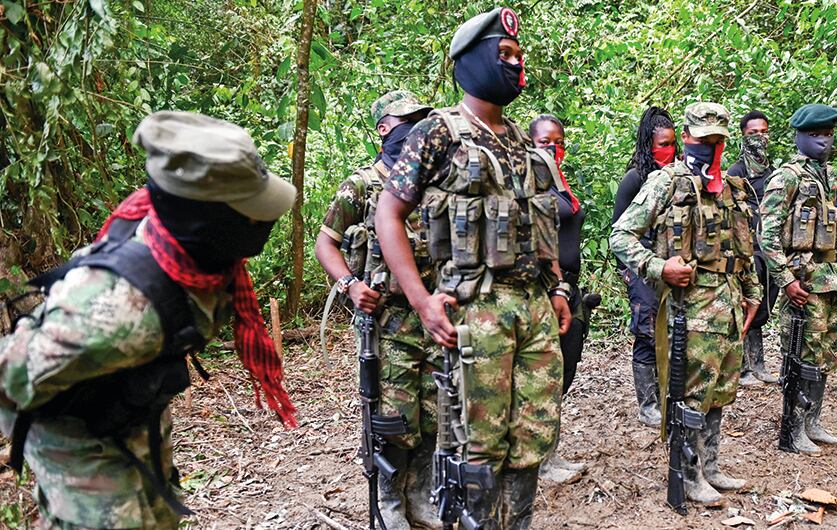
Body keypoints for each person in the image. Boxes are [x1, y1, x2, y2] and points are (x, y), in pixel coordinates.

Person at [0, 111, 298, 529]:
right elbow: (9, 376)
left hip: (130, 411)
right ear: (206, 218)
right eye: (249, 211)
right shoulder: (119, 314)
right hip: (77, 442)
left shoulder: (189, 248)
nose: (262, 221)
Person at [374, 7, 571, 529]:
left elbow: (541, 226)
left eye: (518, 55)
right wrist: (420, 299)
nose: (515, 63)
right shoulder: (438, 131)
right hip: (474, 307)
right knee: (477, 439)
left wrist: (558, 290)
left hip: (533, 308)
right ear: (472, 61)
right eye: (504, 54)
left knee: (532, 434)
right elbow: (388, 214)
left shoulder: (527, 143)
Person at [611, 102, 761, 505]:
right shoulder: (665, 183)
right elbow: (621, 236)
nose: (708, 147)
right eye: (701, 139)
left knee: (721, 392)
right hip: (686, 312)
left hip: (728, 308)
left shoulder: (733, 188)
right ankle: (689, 473)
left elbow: (742, 250)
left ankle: (710, 465)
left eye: (717, 140)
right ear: (687, 137)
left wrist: (752, 295)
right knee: (691, 396)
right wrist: (659, 267)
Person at [314, 90, 437, 528]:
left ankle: (420, 496)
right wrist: (350, 284)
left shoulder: (431, 183)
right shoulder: (363, 185)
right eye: (407, 123)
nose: (415, 133)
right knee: (395, 415)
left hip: (432, 317)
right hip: (388, 321)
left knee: (435, 413)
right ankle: (389, 501)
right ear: (383, 129)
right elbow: (324, 244)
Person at [759, 103, 837, 455]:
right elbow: (766, 235)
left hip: (832, 280)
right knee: (800, 357)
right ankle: (793, 428)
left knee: (826, 354)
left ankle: (813, 421)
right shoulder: (787, 177)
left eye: (828, 135)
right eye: (816, 135)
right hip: (803, 282)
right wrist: (785, 279)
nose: (824, 142)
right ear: (799, 137)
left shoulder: (831, 178)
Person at [529, 114, 600, 484]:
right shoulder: (528, 187)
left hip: (570, 289)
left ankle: (549, 453)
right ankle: (538, 459)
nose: (552, 148)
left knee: (566, 369)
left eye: (557, 142)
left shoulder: (561, 184)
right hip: (543, 289)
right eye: (544, 142)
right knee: (544, 374)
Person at [611, 106, 679, 428]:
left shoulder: (679, 178)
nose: (669, 151)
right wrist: (630, 274)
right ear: (649, 144)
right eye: (663, 144)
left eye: (673, 144)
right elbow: (618, 234)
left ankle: (667, 396)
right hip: (642, 269)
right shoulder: (635, 178)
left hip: (671, 267)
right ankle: (647, 404)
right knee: (646, 332)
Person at [727, 110, 779, 386]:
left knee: (764, 306)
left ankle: (758, 365)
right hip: (746, 253)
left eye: (763, 132)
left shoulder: (773, 173)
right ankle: (743, 368)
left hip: (769, 251)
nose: (759, 138)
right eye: (752, 133)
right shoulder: (736, 173)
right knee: (745, 305)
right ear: (743, 137)